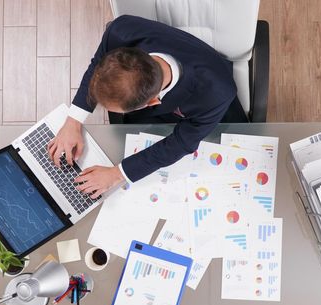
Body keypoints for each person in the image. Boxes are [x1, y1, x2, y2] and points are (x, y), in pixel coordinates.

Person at [48, 15, 247, 199]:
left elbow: (181, 143)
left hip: (204, 110)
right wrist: (73, 121)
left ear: (151, 103)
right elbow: (97, 68)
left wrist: (117, 174)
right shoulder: (120, 31)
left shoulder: (216, 92)